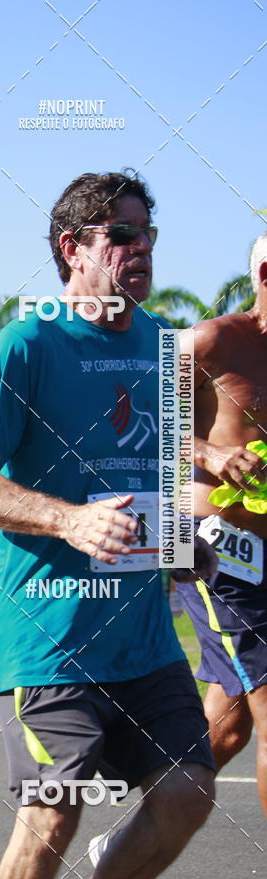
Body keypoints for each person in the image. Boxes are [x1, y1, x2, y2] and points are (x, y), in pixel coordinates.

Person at [0, 171, 216, 879]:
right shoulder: (28, 343)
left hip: (147, 643)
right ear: (74, 248)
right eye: (122, 236)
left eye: (147, 235)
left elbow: (162, 461)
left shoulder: (162, 344)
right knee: (52, 812)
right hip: (51, 641)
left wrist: (184, 537)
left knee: (189, 793)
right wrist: (69, 518)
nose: (141, 250)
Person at [176, 232, 267, 816]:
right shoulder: (210, 340)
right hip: (215, 551)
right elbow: (133, 421)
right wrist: (212, 455)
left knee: (228, 728)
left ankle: (134, 841)